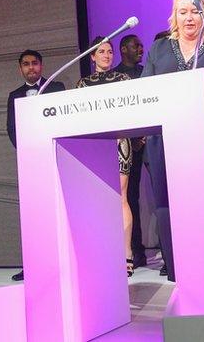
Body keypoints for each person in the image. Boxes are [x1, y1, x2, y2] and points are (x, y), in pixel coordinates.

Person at [142, 0, 204, 280]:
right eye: (183, 12)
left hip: (203, 140)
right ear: (175, 18)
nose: (189, 17)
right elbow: (146, 90)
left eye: (195, 11)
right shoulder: (159, 50)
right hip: (163, 139)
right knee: (166, 203)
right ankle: (176, 268)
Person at [76, 37, 135, 275]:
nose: (107, 55)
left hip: (120, 141)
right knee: (96, 198)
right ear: (92, 56)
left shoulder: (123, 79)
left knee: (121, 196)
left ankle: (126, 254)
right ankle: (100, 254)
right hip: (94, 144)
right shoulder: (83, 84)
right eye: (101, 51)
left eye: (110, 51)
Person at [6, 49, 65, 281]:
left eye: (34, 63)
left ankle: (60, 264)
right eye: (26, 64)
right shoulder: (14, 95)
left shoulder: (56, 87)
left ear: (41, 65)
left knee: (58, 212)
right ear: (20, 68)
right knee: (33, 215)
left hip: (56, 158)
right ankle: (32, 265)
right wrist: (28, 155)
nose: (31, 68)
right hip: (30, 163)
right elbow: (11, 129)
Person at [112, 35, 148, 266]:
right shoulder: (115, 76)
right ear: (124, 49)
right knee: (129, 197)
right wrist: (133, 138)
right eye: (136, 46)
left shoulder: (147, 72)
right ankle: (135, 251)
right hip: (128, 144)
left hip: (151, 139)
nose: (141, 49)